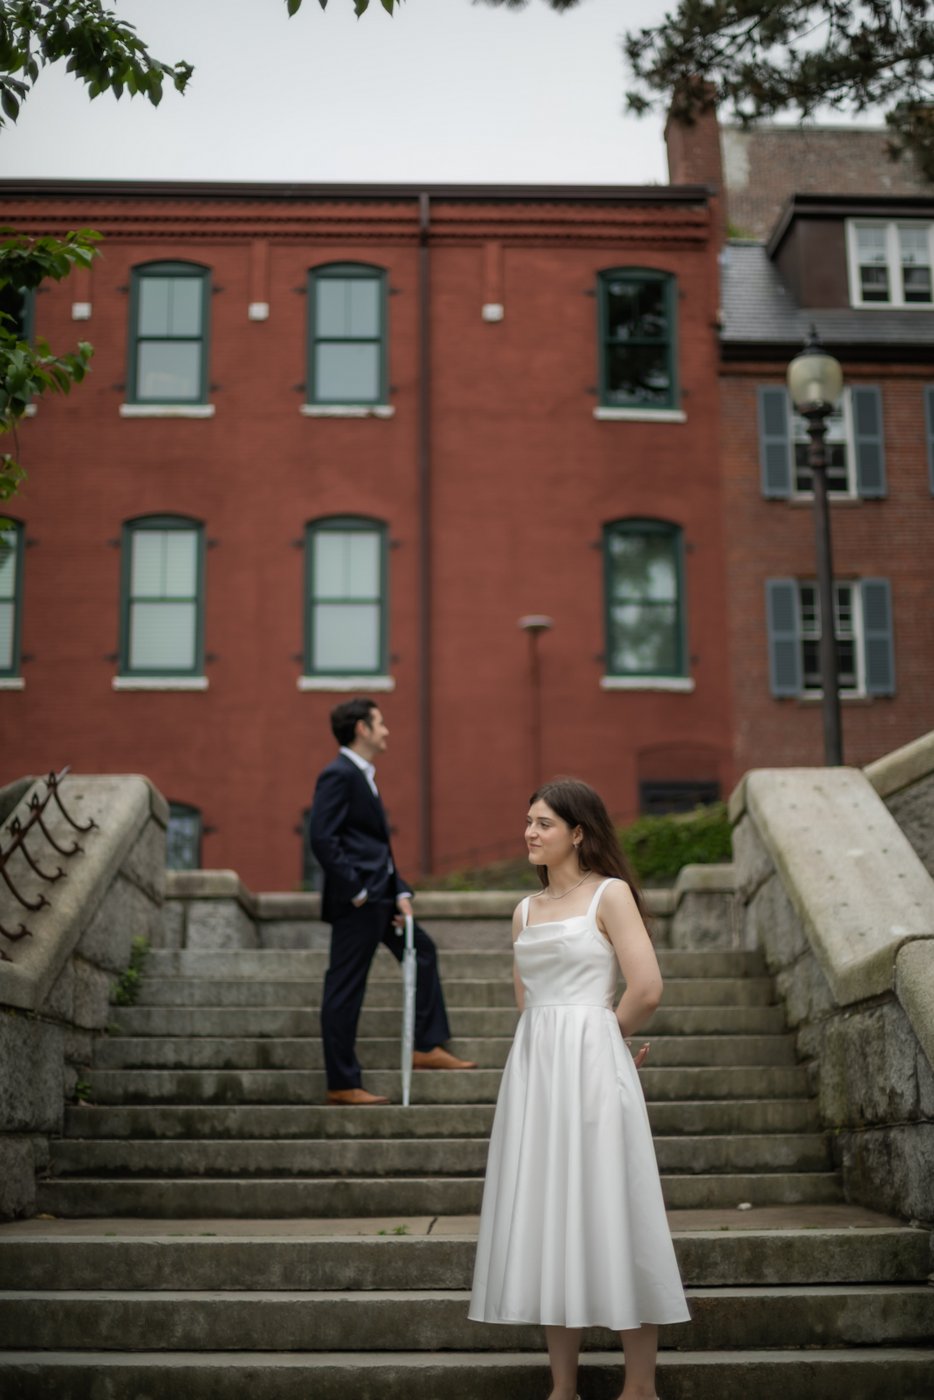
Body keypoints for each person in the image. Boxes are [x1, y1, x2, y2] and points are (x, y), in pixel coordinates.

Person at [469, 777, 689, 1400]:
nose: (529, 833)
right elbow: (527, 1002)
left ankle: (638, 1386)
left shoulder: (610, 896)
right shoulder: (524, 910)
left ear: (578, 832)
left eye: (542, 823)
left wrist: (603, 1043)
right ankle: (561, 1387)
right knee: (548, 1218)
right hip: (535, 1074)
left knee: (616, 1209)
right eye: (527, 821)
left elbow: (646, 988)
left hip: (592, 1066)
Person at [309, 697, 476, 1106]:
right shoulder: (338, 774)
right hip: (360, 903)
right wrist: (359, 891)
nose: (386, 731)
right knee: (345, 987)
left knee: (423, 952)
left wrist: (399, 889)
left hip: (384, 897)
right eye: (380, 723)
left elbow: (373, 845)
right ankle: (342, 1082)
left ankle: (425, 1045)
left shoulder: (363, 774)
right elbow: (322, 838)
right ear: (362, 729)